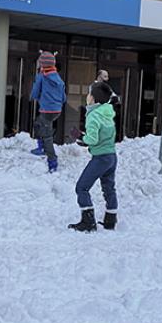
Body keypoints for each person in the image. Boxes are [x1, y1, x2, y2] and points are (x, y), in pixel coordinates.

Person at [69, 82, 118, 233]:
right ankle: (111, 220)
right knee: (109, 188)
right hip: (111, 156)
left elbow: (93, 139)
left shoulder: (93, 115)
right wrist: (85, 139)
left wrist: (80, 137)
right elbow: (104, 136)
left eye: (89, 94)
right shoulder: (107, 112)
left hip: (100, 158)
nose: (87, 96)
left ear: (94, 99)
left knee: (81, 187)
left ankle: (88, 222)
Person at [29, 51, 66, 173]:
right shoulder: (58, 78)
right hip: (57, 110)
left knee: (47, 135)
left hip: (47, 109)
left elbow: (35, 91)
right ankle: (41, 147)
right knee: (38, 123)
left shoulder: (42, 76)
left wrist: (34, 97)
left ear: (42, 64)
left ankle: (52, 161)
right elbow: (64, 97)